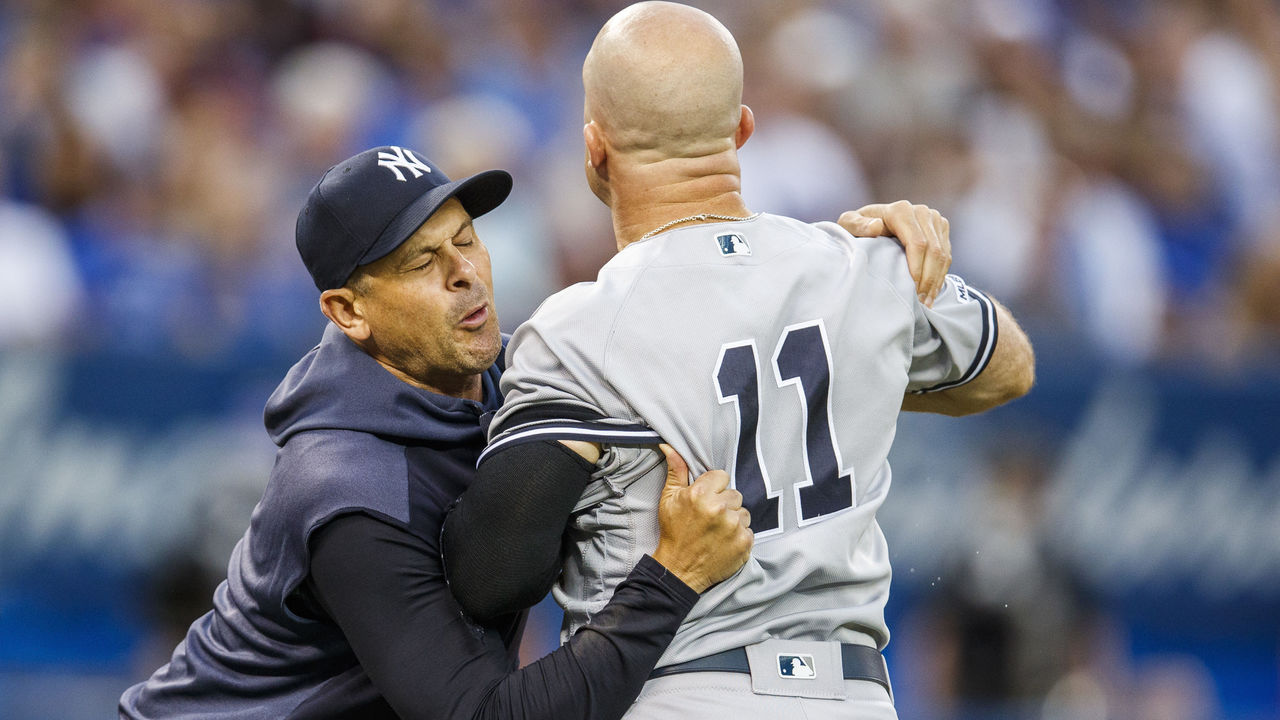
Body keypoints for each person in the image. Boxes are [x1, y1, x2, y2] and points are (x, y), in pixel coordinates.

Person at [116, 144, 945, 719]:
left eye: (465, 238)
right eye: (419, 263)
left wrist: (857, 260)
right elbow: (484, 713)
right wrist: (671, 576)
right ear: (348, 312)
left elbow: (724, 346)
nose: (467, 272)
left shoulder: (521, 376)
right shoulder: (348, 487)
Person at [441, 3, 1036, 720]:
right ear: (743, 131)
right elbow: (1011, 365)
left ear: (594, 149)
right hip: (852, 695)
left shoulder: (581, 327)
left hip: (676, 688)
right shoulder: (862, 272)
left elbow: (490, 575)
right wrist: (862, 361)